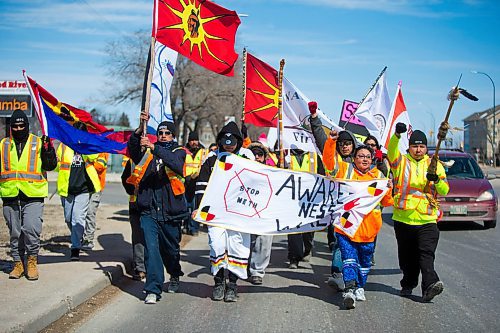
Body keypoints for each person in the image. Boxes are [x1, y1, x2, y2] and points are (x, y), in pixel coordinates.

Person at [323, 130, 393, 309]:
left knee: (364, 263)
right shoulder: (345, 170)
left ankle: (360, 287)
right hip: (346, 228)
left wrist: (389, 189)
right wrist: (331, 142)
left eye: (367, 157)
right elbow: (329, 163)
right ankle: (349, 290)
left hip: (369, 230)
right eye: (360, 156)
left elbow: (386, 202)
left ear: (372, 159)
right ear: (354, 158)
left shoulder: (379, 177)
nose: (364, 159)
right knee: (348, 259)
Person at [127, 114, 188, 304]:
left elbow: (176, 164)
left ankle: (175, 274)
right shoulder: (147, 152)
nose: (163, 135)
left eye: (167, 133)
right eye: (160, 132)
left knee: (170, 251)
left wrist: (156, 148)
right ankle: (153, 289)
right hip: (149, 211)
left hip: (171, 211)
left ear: (173, 136)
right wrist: (137, 134)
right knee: (151, 250)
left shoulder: (179, 151)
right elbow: (133, 151)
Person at [388, 122, 449, 302]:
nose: (418, 149)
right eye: (415, 146)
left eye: (422, 146)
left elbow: (445, 190)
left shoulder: (434, 164)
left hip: (427, 218)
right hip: (403, 218)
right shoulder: (401, 161)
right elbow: (391, 151)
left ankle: (430, 286)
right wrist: (397, 135)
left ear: (426, 148)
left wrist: (436, 180)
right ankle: (408, 283)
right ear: (409, 146)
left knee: (426, 254)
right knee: (407, 258)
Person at [193, 121, 254, 302]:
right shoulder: (211, 160)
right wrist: (198, 208)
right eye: (225, 143)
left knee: (237, 247)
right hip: (216, 212)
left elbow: (257, 186)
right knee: (217, 245)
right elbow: (201, 187)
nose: (228, 147)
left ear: (237, 143)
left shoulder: (246, 160)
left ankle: (232, 286)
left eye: (232, 144)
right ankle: (219, 282)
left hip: (238, 213)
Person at [0, 109, 57, 280]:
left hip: (32, 194)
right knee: (15, 232)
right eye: (15, 126)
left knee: (31, 229)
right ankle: (18, 263)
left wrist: (49, 151)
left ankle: (31, 260)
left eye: (21, 125)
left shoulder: (38, 143)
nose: (18, 129)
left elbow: (50, 165)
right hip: (10, 194)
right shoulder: (3, 144)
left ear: (26, 125)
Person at [308, 101, 357, 290]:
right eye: (342, 144)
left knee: (356, 244)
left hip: (358, 210)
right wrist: (314, 119)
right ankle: (338, 273)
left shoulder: (361, 160)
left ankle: (354, 274)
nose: (345, 147)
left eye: (348, 143)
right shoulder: (333, 160)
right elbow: (322, 140)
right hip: (338, 208)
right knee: (340, 241)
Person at [56, 122, 101, 261]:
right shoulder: (63, 146)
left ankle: (75, 247)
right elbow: (58, 165)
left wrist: (84, 145)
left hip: (84, 189)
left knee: (77, 218)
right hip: (67, 189)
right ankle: (77, 236)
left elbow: (94, 157)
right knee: (68, 218)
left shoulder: (88, 146)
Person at [286, 147, 325, 269]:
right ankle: (294, 257)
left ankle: (307, 249)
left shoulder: (314, 156)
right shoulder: (285, 156)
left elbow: (322, 175)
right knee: (293, 229)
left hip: (310, 198)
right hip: (291, 198)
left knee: (308, 229)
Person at [247, 141, 274, 285]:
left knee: (264, 240)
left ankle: (257, 271)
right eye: (254, 154)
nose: (257, 157)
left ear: (264, 157)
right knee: (245, 240)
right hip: (245, 210)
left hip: (265, 211)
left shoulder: (273, 171)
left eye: (260, 154)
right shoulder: (242, 169)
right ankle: (243, 265)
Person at [121, 156, 146, 281]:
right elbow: (124, 178)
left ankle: (150, 265)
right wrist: (132, 189)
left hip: (150, 206)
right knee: (137, 236)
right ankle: (140, 268)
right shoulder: (131, 160)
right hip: (135, 204)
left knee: (150, 237)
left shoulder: (154, 156)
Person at [82, 152, 109, 250]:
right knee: (81, 213)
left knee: (90, 212)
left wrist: (88, 161)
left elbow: (99, 167)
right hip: (84, 186)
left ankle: (88, 239)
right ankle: (81, 236)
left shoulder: (102, 150)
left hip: (96, 187)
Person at [183, 131, 207, 236]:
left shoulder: (203, 152)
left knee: (194, 207)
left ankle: (193, 228)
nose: (194, 142)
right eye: (192, 140)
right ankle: (186, 225)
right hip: (185, 183)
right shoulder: (183, 151)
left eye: (195, 140)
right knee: (184, 206)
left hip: (197, 183)